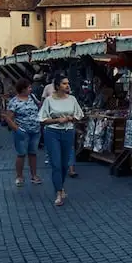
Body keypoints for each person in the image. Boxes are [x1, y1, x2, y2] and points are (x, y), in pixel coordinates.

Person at [39, 76, 84, 206]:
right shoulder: (49, 100)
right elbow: (42, 119)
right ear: (57, 86)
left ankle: (60, 185)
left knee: (65, 164)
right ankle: (58, 193)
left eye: (68, 83)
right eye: (64, 83)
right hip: (52, 132)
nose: (67, 85)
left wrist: (70, 118)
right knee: (56, 164)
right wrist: (57, 120)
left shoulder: (72, 99)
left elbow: (79, 115)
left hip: (68, 132)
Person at [5, 78, 44, 187]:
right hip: (22, 132)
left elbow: (39, 106)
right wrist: (17, 129)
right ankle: (19, 176)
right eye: (29, 87)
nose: (31, 89)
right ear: (22, 89)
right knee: (21, 154)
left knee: (33, 153)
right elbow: (8, 118)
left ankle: (34, 175)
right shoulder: (14, 102)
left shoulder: (32, 97)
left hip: (35, 130)